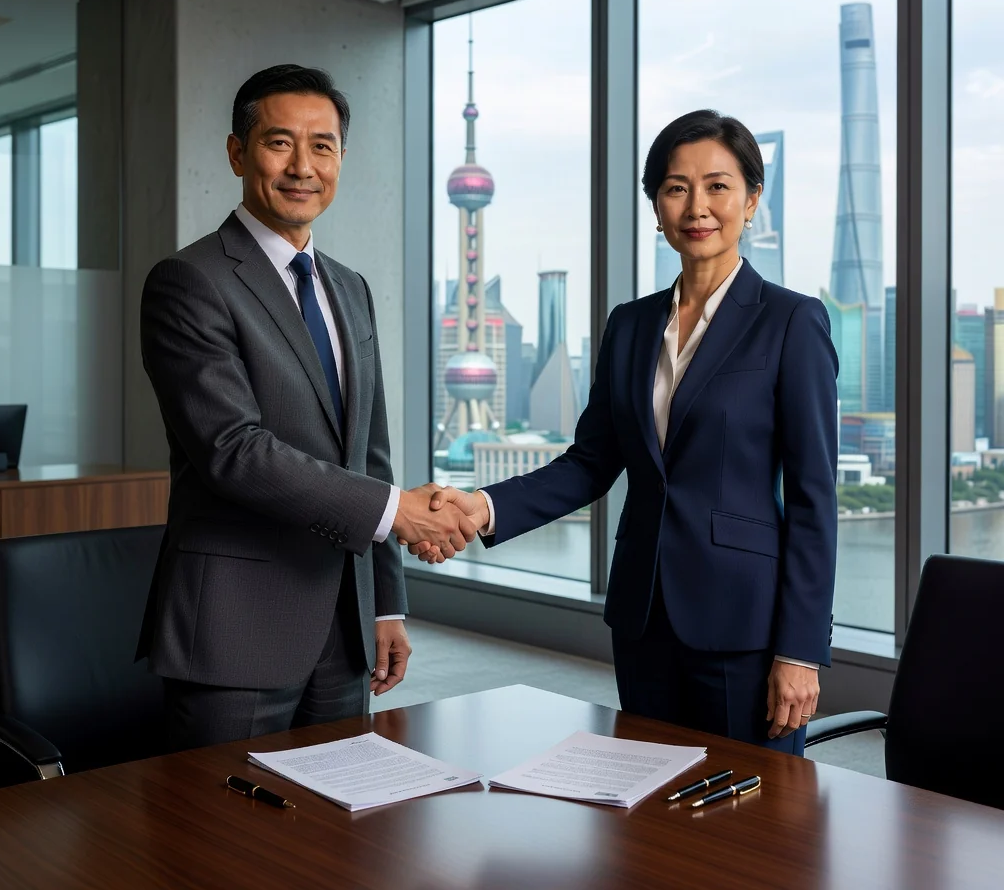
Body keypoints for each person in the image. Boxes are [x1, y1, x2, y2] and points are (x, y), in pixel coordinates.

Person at [411, 109, 838, 756]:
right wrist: (482, 506)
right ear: (657, 207)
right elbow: (590, 463)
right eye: (675, 187)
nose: (697, 206)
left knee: (755, 829)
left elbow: (814, 499)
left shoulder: (790, 322)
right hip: (643, 619)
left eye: (718, 186)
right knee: (648, 814)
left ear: (752, 200)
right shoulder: (631, 325)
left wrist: (801, 651)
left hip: (744, 628)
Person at [137, 64, 476, 750]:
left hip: (345, 627)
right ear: (238, 152)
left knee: (336, 839)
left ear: (341, 160)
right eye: (279, 143)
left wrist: (384, 604)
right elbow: (234, 451)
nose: (302, 167)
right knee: (223, 839)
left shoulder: (349, 288)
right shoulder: (189, 283)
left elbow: (368, 453)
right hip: (236, 629)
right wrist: (398, 512)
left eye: (322, 146)